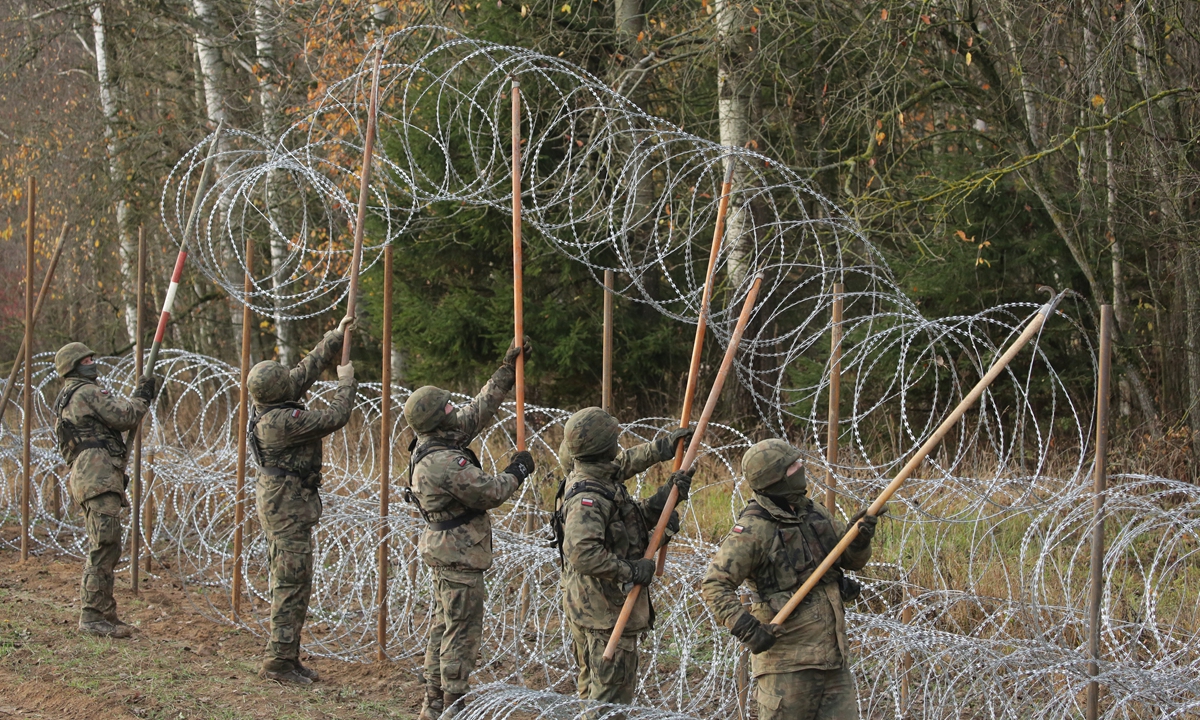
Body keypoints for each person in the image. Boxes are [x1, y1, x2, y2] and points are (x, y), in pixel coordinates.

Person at [700, 439, 881, 720]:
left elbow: (851, 562)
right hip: (787, 668)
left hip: (834, 661)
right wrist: (748, 629)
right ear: (775, 479)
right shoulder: (752, 530)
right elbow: (714, 584)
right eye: (793, 466)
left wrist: (859, 539)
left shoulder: (814, 512)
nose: (802, 468)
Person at [405, 338, 535, 720]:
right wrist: (518, 470)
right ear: (437, 418)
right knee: (460, 634)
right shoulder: (443, 461)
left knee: (443, 626)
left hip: (446, 550)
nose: (453, 408)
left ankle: (434, 703)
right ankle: (453, 705)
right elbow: (488, 492)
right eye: (447, 406)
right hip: (459, 554)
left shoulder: (434, 440)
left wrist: (507, 371)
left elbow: (477, 410)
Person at [556, 407, 694, 706]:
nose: (619, 441)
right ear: (604, 447)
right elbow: (583, 553)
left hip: (592, 606)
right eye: (614, 437)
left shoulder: (593, 473)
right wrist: (631, 571)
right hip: (604, 611)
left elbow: (622, 527)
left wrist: (662, 492)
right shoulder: (587, 498)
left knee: (593, 692)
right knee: (609, 703)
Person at [248, 315, 357, 685]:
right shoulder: (281, 422)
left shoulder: (267, 403)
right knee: (291, 583)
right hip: (287, 508)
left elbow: (305, 370)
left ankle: (287, 657)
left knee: (294, 580)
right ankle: (278, 662)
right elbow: (337, 416)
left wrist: (336, 335)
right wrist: (346, 383)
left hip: (283, 502)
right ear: (278, 389)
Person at [53, 342, 160, 638]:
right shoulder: (86, 391)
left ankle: (105, 612)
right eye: (86, 359)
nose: (91, 362)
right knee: (104, 546)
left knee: (108, 545)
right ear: (74, 366)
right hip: (97, 476)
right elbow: (123, 416)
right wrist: (143, 396)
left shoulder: (66, 396)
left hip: (90, 475)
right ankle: (92, 615)